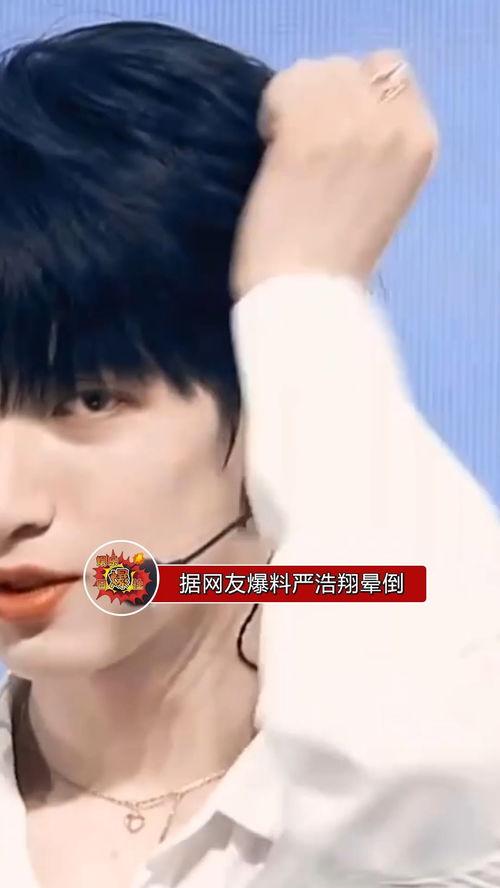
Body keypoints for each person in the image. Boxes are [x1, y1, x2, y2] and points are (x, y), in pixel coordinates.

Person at [0, 18, 498, 888]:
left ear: (270, 393)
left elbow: (434, 778)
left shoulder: (424, 787)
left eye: (90, 399)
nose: (9, 508)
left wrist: (300, 296)